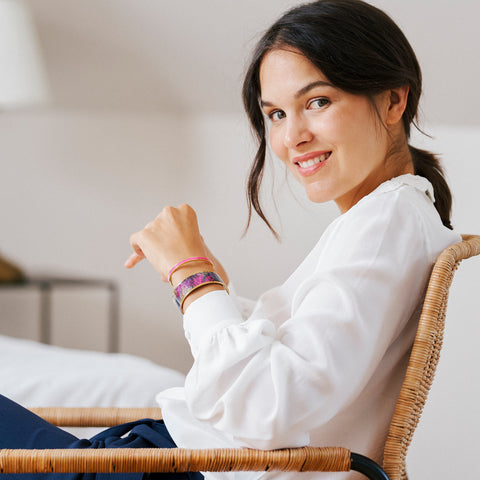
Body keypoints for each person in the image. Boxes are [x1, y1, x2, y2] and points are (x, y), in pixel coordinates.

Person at [0, 1, 462, 479]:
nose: (293, 136)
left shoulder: (385, 224)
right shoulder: (392, 219)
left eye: (318, 102)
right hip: (167, 457)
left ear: (393, 100)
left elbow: (264, 407)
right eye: (277, 114)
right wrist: (216, 290)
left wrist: (192, 278)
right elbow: (295, 374)